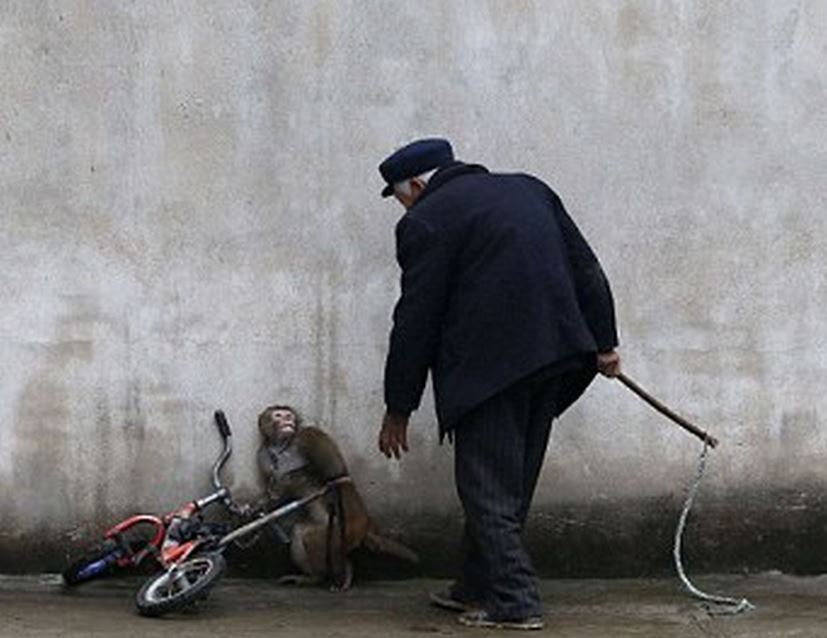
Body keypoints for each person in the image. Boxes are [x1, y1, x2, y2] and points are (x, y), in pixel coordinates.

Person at [376, 138, 621, 630]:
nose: (403, 209)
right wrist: (604, 343)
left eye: (400, 198)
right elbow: (585, 267)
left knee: (487, 491)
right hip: (556, 358)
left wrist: (398, 406)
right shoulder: (530, 189)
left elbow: (416, 320)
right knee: (504, 486)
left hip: (489, 372)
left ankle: (514, 600)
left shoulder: (425, 220)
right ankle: (476, 584)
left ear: (417, 186)